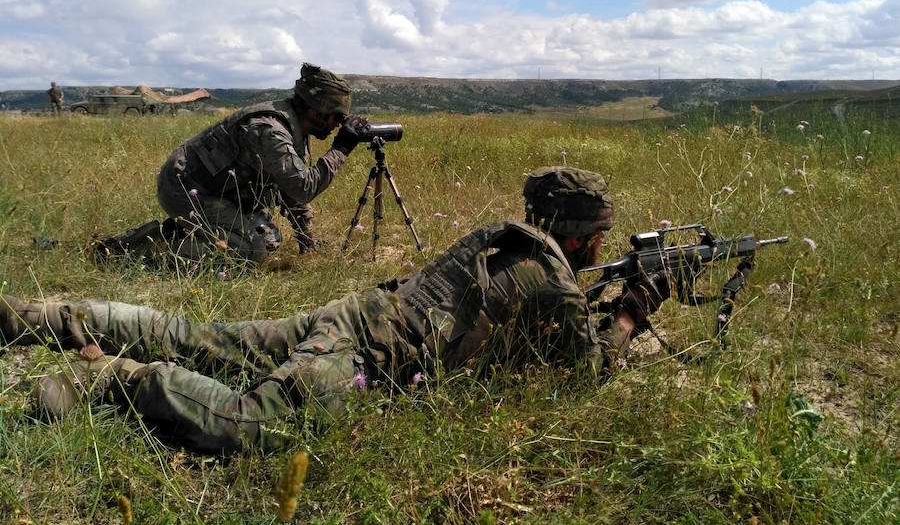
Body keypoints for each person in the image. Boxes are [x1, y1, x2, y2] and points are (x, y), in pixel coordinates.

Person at [1, 167, 670, 453]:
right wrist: (632, 311)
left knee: (194, 336)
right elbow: (586, 370)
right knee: (248, 425)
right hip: (359, 358)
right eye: (602, 236)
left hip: (353, 314)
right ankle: (112, 379)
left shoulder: (510, 239)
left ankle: (35, 318)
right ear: (584, 235)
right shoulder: (552, 278)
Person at [96, 63, 370, 263]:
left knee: (271, 239)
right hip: (187, 191)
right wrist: (342, 147)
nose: (338, 125)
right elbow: (302, 187)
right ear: (315, 111)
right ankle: (146, 247)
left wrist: (306, 239)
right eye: (337, 118)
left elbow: (288, 189)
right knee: (251, 251)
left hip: (216, 192)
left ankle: (177, 232)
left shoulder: (296, 126)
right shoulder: (273, 131)